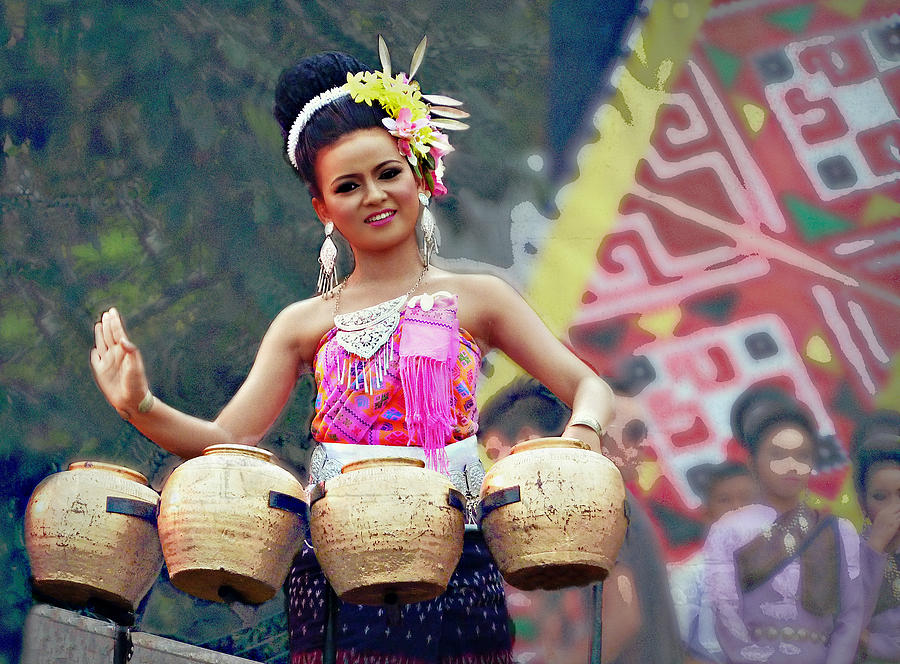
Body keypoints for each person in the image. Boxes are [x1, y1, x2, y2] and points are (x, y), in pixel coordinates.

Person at [89, 38, 615, 663]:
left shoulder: (480, 300)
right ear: (322, 208)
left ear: (420, 173)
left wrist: (581, 434)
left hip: (460, 560)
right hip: (339, 568)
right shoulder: (302, 323)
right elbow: (226, 442)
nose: (374, 195)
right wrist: (139, 403)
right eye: (348, 185)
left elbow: (590, 386)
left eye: (388, 172)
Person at [479, 377, 684, 664]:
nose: (493, 471)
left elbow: (623, 617)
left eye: (494, 455)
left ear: (527, 440)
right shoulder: (596, 492)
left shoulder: (589, 498)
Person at [703, 385, 864, 664]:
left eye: (802, 456)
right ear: (753, 462)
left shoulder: (838, 531)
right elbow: (725, 610)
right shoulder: (728, 531)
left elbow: (852, 617)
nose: (791, 466)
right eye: (777, 455)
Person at [669, 461, 756, 663]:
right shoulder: (686, 580)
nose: (737, 508)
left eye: (747, 499)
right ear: (707, 512)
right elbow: (677, 652)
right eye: (725, 500)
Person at [854, 446, 900, 663]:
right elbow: (848, 627)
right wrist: (875, 548)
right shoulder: (849, 554)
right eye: (881, 497)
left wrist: (874, 643)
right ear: (863, 504)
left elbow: (861, 638)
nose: (894, 507)